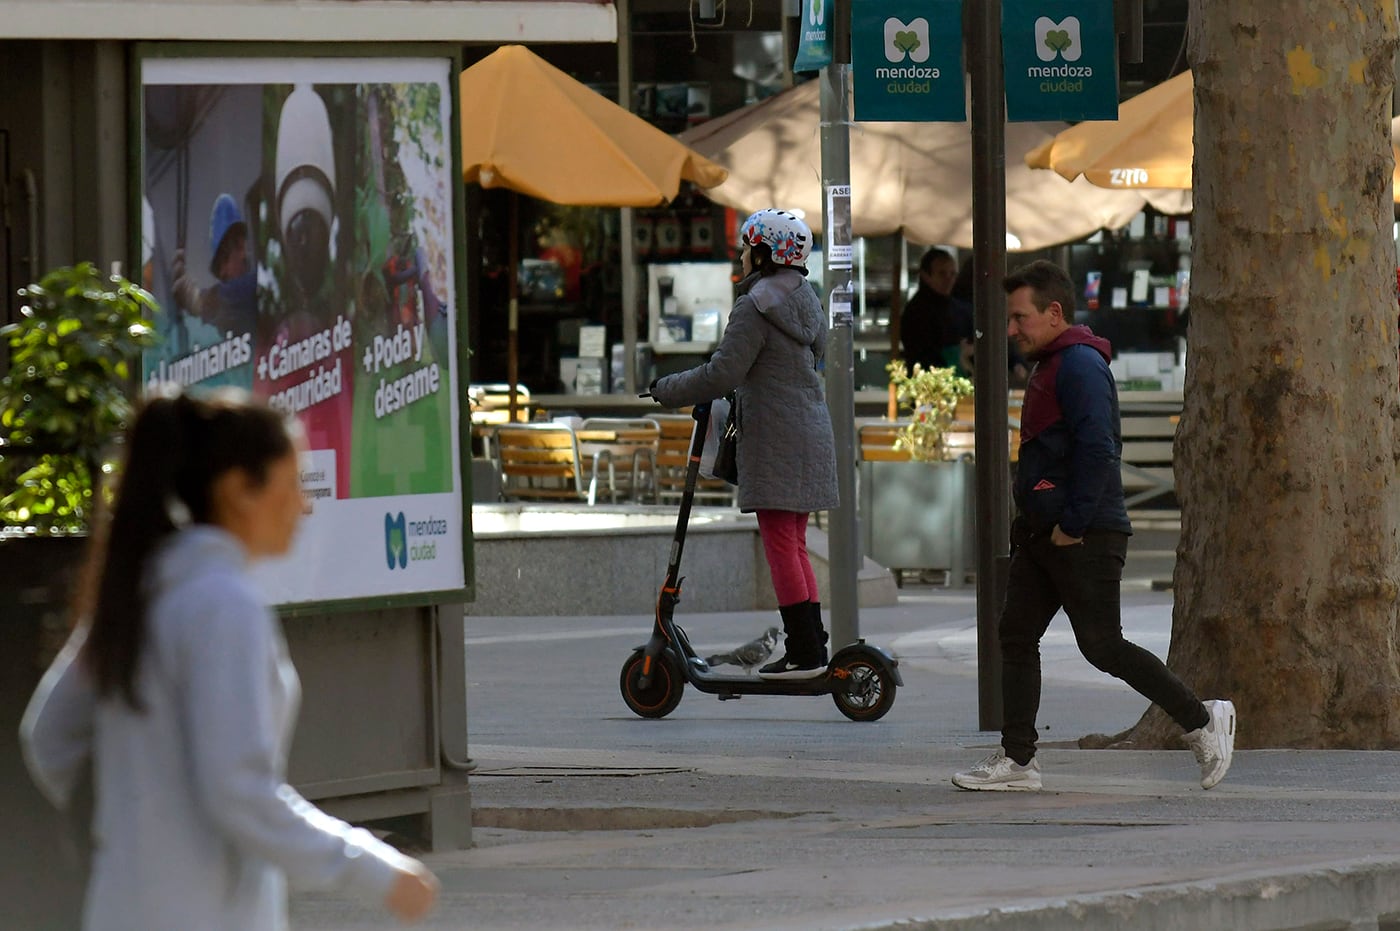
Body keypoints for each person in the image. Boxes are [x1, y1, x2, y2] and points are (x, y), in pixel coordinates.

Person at [20, 387, 439, 929]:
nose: (304, 504)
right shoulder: (224, 604)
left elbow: (50, 736)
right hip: (208, 912)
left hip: (122, 901)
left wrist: (131, 824)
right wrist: (373, 870)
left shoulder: (142, 588)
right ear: (240, 490)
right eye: (293, 483)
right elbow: (240, 789)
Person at [952, 260, 1235, 792]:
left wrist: (1073, 524)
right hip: (1045, 533)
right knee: (1016, 635)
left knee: (1103, 645)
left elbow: (1098, 449)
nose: (1012, 330)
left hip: (1081, 532)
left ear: (1054, 312)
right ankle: (1017, 761)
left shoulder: (1079, 364)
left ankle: (1202, 720)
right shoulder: (1055, 362)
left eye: (1020, 317)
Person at [649, 208, 839, 679]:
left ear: (764, 253)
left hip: (777, 438)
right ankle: (811, 646)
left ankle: (803, 651)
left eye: (746, 247)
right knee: (794, 542)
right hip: (810, 434)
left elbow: (722, 372)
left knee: (780, 545)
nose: (741, 255)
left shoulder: (755, 306)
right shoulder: (806, 303)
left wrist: (665, 388)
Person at [171, 193, 258, 336]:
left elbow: (245, 289)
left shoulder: (257, 290)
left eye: (245, 247)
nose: (245, 256)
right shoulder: (225, 324)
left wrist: (199, 301)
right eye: (237, 248)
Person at [900, 247, 973, 376]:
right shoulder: (916, 312)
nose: (949, 279)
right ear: (926, 276)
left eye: (952, 274)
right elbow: (923, 355)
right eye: (942, 273)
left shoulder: (958, 308)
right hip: (930, 383)